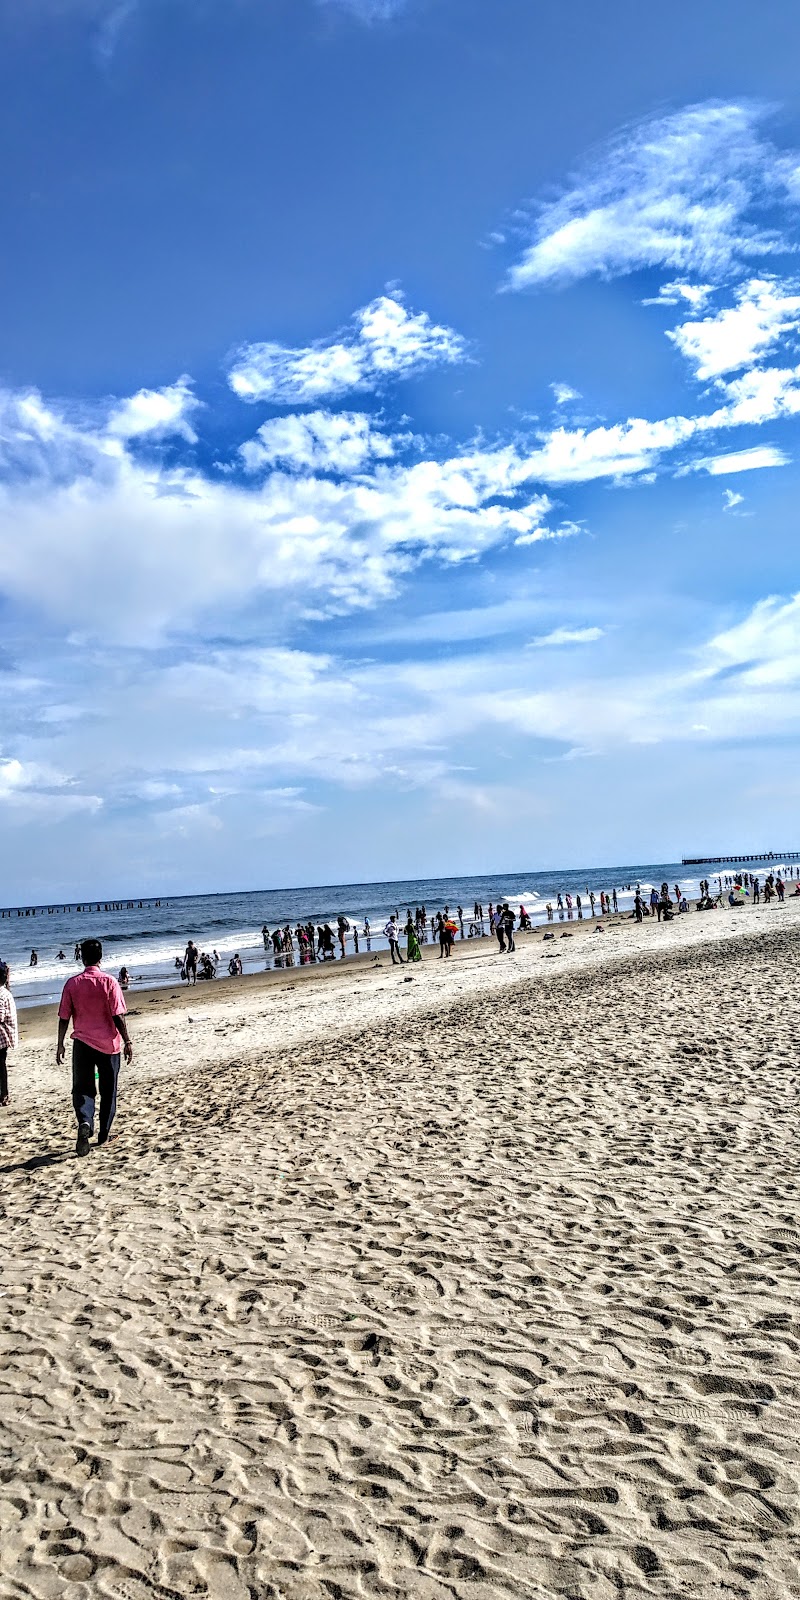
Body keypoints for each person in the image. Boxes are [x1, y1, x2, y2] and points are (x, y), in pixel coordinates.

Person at [57, 938, 133, 1156]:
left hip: (81, 1043)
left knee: (82, 1088)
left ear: (82, 957)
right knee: (108, 1091)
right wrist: (127, 1041)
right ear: (101, 957)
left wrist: (60, 1044)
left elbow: (64, 1017)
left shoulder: (72, 984)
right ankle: (104, 1135)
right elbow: (118, 1016)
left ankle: (85, 1122)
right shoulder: (109, 982)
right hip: (108, 1045)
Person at [0, 961, 18, 1107]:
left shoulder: (1, 994)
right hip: (4, 1037)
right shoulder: (5, 992)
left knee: (0, 1067)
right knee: (1, 1066)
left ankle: (4, 1095)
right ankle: (4, 1094)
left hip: (1, 1037)